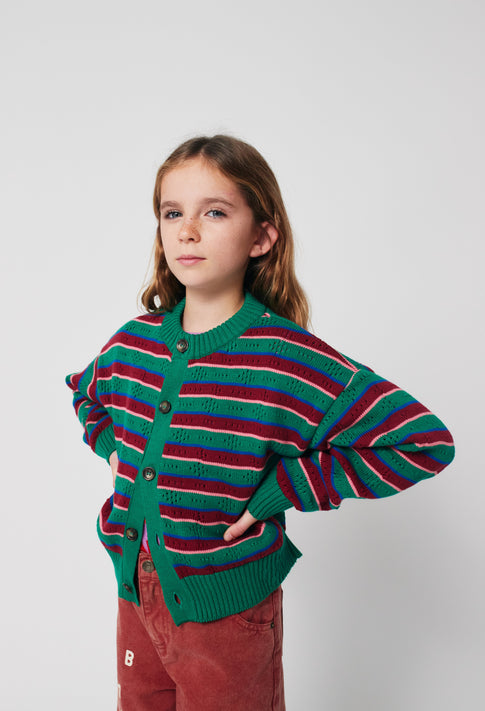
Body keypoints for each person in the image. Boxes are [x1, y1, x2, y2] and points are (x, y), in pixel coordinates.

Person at [65, 134, 455, 711]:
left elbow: (421, 441)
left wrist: (284, 488)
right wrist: (115, 449)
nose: (187, 231)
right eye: (172, 213)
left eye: (214, 213)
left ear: (261, 236)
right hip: (135, 594)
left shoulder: (285, 358)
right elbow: (86, 392)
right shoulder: (133, 342)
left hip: (228, 616)